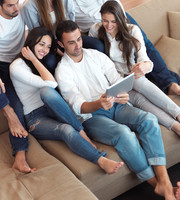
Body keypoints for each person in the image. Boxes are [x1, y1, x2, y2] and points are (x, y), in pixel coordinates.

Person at [54, 20, 180, 200]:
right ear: (61, 44)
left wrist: (124, 94)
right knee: (124, 133)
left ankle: (165, 182)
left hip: (116, 104)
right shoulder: (63, 71)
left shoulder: (96, 55)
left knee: (149, 120)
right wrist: (99, 103)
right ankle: (157, 185)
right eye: (71, 42)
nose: (77, 45)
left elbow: (116, 80)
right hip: (92, 116)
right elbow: (77, 105)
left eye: (79, 40)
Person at [10, 26, 124, 174]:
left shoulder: (40, 62)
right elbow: (51, 84)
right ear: (31, 43)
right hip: (35, 118)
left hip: (53, 108)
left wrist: (38, 58)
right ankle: (99, 158)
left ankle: (81, 131)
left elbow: (51, 84)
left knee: (47, 93)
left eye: (48, 46)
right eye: (41, 44)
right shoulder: (16, 67)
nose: (44, 50)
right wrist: (32, 58)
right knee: (65, 127)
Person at [56, 0, 180, 96]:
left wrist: (120, 24)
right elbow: (66, 24)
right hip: (97, 29)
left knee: (144, 43)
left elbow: (113, 1)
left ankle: (169, 83)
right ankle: (165, 80)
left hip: (116, 17)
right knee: (115, 52)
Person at [89, 0, 180, 135]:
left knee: (140, 82)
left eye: (113, 21)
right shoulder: (96, 30)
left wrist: (144, 66)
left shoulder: (132, 30)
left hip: (133, 75)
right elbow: (93, 56)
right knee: (139, 100)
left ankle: (178, 114)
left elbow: (144, 57)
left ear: (120, 19)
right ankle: (175, 126)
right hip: (115, 81)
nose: (108, 25)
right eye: (105, 20)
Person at [0, 0, 36, 173]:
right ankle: (9, 113)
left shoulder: (21, 9)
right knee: (15, 106)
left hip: (18, 60)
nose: (16, 8)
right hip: (1, 65)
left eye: (16, 2)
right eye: (10, 5)